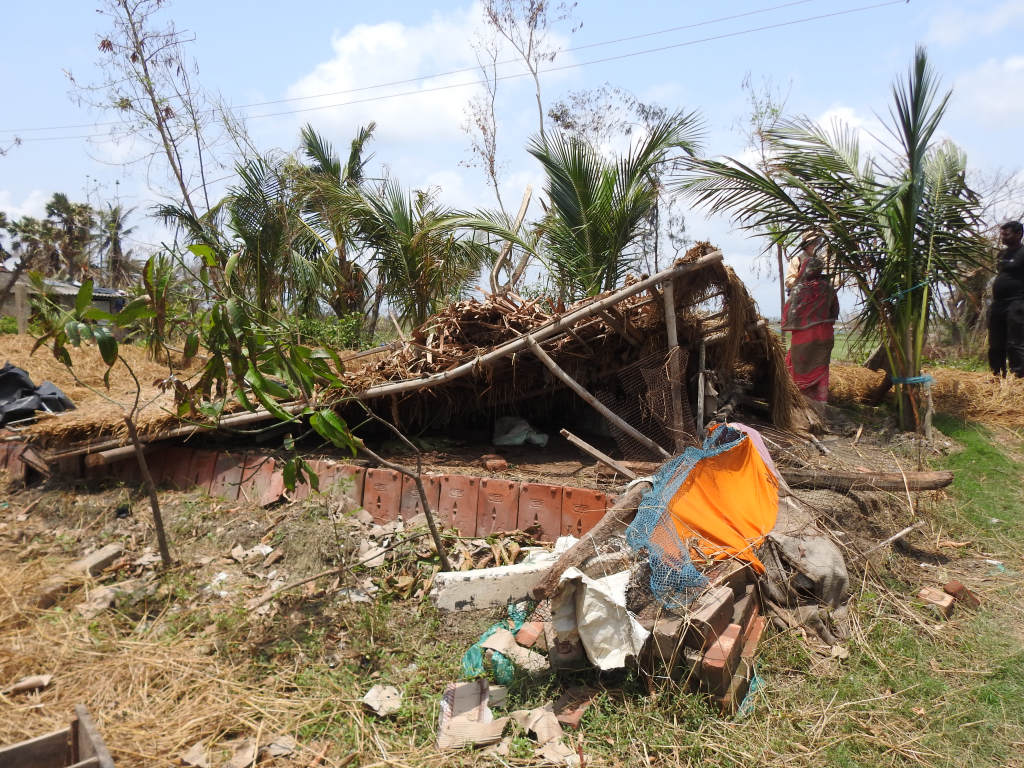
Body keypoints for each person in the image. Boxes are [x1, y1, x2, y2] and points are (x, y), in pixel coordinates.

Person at [783, 257, 840, 403]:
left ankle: (798, 400)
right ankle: (822, 401)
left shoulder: (798, 290)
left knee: (797, 365)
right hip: (824, 335)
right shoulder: (828, 289)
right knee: (821, 366)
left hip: (803, 337)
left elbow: (789, 314)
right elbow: (834, 312)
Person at [989, 220, 1024, 378]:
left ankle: (1017, 377)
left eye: (1007, 234)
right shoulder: (1002, 254)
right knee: (995, 343)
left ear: (1018, 234)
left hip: (1016, 303)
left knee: (1014, 342)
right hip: (998, 304)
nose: (1002, 237)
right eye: (1002, 234)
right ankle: (997, 375)